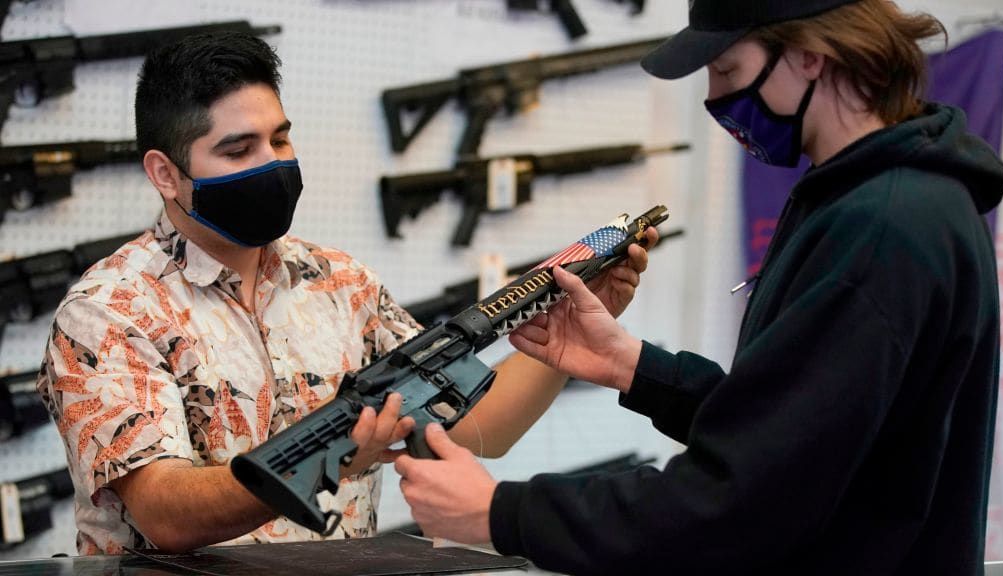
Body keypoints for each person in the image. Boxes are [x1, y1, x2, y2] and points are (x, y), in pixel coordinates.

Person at [394, 1, 1003, 574]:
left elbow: (745, 497)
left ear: (809, 56)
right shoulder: (878, 201)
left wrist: (501, 514)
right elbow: (796, 434)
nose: (715, 96)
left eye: (725, 67)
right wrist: (634, 366)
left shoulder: (882, 226)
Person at [35, 31, 652, 555]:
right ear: (165, 173)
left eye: (279, 139)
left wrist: (559, 334)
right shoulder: (107, 312)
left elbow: (469, 430)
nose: (272, 163)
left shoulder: (341, 283)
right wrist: (337, 448)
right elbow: (165, 512)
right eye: (237, 149)